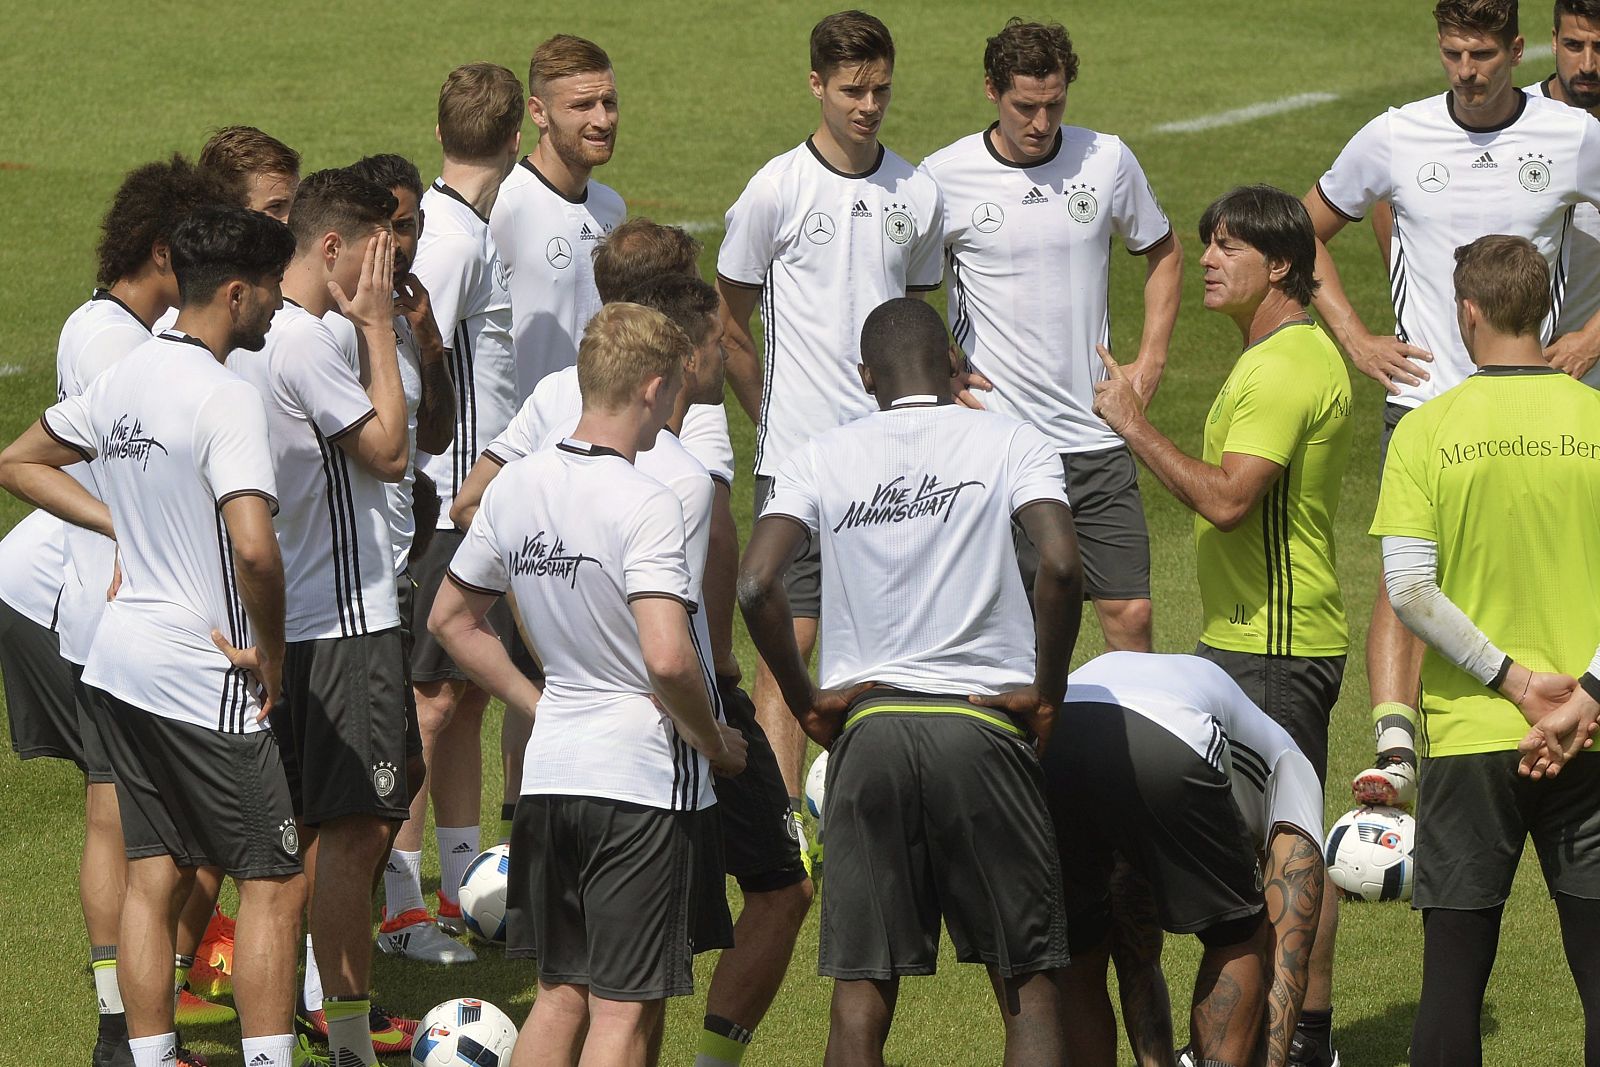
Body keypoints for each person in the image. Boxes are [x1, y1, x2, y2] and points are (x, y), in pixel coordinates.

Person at [450, 261, 812, 1067]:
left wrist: (538, 699)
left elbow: (451, 617)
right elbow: (667, 656)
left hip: (550, 772)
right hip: (639, 782)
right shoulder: (659, 491)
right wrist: (715, 741)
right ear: (656, 387)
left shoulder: (517, 486)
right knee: (621, 1009)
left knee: (558, 994)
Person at [740, 297, 1082, 1067]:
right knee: (1026, 983)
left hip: (871, 734)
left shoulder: (819, 454)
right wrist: (1046, 689)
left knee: (861, 993)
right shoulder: (1012, 439)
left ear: (866, 377)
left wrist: (808, 703)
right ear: (954, 364)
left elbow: (758, 583)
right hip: (986, 730)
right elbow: (1061, 564)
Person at [0, 204, 303, 1067]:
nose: (280, 307)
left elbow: (17, 461)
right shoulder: (226, 397)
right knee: (276, 883)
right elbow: (255, 546)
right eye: (273, 291)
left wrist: (122, 532)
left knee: (152, 872)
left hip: (119, 662)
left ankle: (147, 1058)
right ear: (236, 293)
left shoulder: (128, 377)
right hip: (200, 674)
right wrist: (271, 655)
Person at [1303, 0, 1600, 829]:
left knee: (1548, 561)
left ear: (1516, 49)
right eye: (1451, 54)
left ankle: (1566, 705)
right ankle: (1396, 752)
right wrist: (1358, 338)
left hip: (1535, 394)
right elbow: (1303, 227)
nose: (1466, 73)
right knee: (1408, 576)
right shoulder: (1396, 134)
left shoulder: (1571, 136)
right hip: (1427, 400)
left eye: (1481, 55)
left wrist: (1584, 337)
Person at [1094, 184, 1352, 1067]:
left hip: (1274, 649)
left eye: (1227, 247)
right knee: (1273, 852)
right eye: (1205, 244)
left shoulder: (1285, 366)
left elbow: (1230, 499)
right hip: (1246, 643)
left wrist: (1134, 425)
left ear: (1280, 265)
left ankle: (1295, 1048)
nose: (1205, 259)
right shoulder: (1270, 355)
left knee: (1281, 862)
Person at [1372, 234, 1600, 1066]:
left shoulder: (1428, 431)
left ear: (1467, 313)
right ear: (1545, 309)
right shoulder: (1597, 418)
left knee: (1453, 981)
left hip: (1472, 737)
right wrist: (1583, 698)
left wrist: (1510, 681)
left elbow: (1409, 589)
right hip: (1592, 732)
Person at [717, 9, 944, 814]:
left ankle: (883, 802)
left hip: (895, 459)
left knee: (893, 637)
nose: (868, 105)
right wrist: (773, 417)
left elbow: (915, 327)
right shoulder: (776, 188)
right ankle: (786, 828)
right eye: (852, 89)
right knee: (794, 645)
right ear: (817, 84)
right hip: (801, 461)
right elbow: (727, 322)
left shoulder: (916, 191)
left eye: (880, 88)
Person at [226, 170, 412, 1067]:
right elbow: (390, 448)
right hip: (345, 622)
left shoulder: (248, 338)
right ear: (333, 249)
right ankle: (345, 1038)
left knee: (302, 835)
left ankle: (295, 1021)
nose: (392, 264)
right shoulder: (304, 345)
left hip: (284, 622)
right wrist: (379, 327)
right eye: (379, 248)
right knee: (359, 827)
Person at [922, 17, 1180, 655]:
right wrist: (941, 369)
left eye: (1055, 103)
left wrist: (1148, 363)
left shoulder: (1107, 158)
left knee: (1131, 614)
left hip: (1095, 433)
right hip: (998, 442)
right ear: (991, 91)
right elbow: (904, 290)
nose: (1041, 123)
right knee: (1018, 628)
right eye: (1025, 107)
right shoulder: (944, 176)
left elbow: (1164, 253)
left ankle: (1134, 753)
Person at [382, 62, 524, 967]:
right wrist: (457, 482)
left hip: (475, 506)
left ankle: (461, 881)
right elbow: (405, 352)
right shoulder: (451, 241)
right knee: (430, 704)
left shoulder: (462, 226)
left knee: (465, 693)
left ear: (444, 134)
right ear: (516, 139)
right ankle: (399, 912)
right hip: (448, 506)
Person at [1051, 652, 1327, 1067]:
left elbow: (1135, 947)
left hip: (1057, 734)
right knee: (1244, 933)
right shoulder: (1295, 776)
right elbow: (1289, 960)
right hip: (1167, 733)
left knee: (1082, 946)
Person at [491, 34, 626, 399]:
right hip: (522, 442)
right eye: (582, 106)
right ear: (538, 113)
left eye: (608, 102)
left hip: (593, 435)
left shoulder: (611, 207)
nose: (602, 120)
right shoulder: (505, 205)